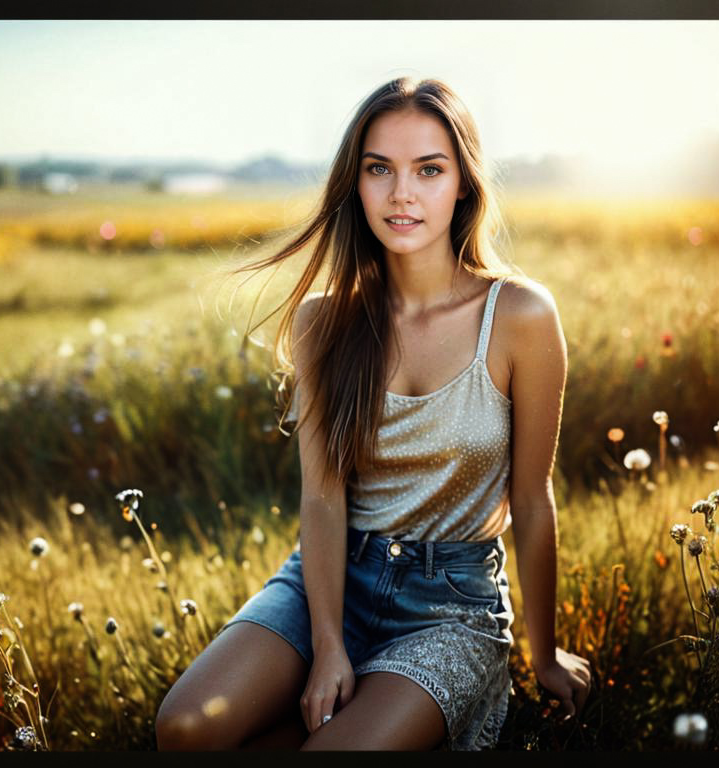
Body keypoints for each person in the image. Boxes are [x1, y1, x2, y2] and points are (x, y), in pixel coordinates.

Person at [155, 76, 591, 751]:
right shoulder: (324, 320)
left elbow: (532, 500)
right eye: (378, 169)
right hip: (328, 582)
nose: (401, 194)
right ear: (355, 184)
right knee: (184, 730)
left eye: (429, 169)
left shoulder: (519, 316)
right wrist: (328, 645)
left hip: (451, 606)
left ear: (464, 185)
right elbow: (324, 498)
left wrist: (544, 653)